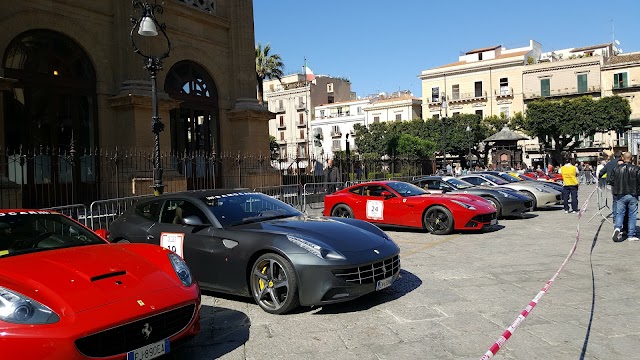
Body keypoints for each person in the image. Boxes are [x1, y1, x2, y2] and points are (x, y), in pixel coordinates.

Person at [608, 152, 640, 242]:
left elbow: (611, 181)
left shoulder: (616, 169)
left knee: (620, 213)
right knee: (632, 215)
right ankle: (631, 234)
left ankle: (617, 228)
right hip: (633, 194)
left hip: (621, 194)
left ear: (622, 158)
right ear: (632, 159)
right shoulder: (636, 169)